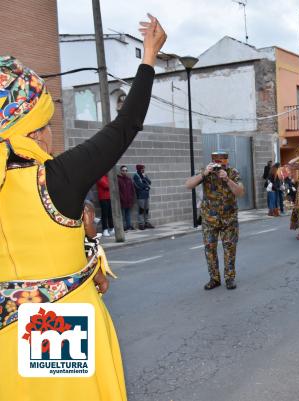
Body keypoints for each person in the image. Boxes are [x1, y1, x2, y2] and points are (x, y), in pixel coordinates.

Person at [0, 15, 166, 401]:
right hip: (54, 325)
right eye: (49, 123)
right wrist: (150, 57)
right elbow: (124, 125)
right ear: (36, 129)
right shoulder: (57, 177)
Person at [185, 151, 245, 290]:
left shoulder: (233, 172)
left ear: (227, 161)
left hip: (229, 219)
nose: (219, 163)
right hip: (209, 219)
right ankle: (214, 279)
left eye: (222, 160)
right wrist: (204, 173)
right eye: (216, 160)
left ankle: (229, 278)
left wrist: (227, 179)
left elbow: (240, 192)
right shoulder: (206, 172)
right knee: (209, 249)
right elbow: (188, 185)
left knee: (229, 249)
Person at [133, 163, 154, 229]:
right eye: (142, 169)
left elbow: (149, 182)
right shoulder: (136, 176)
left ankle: (147, 223)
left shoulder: (144, 175)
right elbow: (139, 185)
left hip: (146, 195)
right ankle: (141, 224)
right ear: (139, 169)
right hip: (140, 196)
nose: (143, 170)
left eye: (143, 169)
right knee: (141, 210)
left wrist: (145, 177)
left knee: (147, 209)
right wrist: (146, 187)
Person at [118, 165, 136, 231]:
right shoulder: (118, 179)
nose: (124, 172)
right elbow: (118, 191)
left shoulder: (129, 179)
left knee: (128, 214)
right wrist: (122, 198)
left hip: (129, 201)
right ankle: (123, 227)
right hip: (122, 201)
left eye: (126, 170)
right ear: (120, 171)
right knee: (122, 215)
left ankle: (128, 226)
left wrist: (131, 198)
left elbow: (132, 190)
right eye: (123, 170)